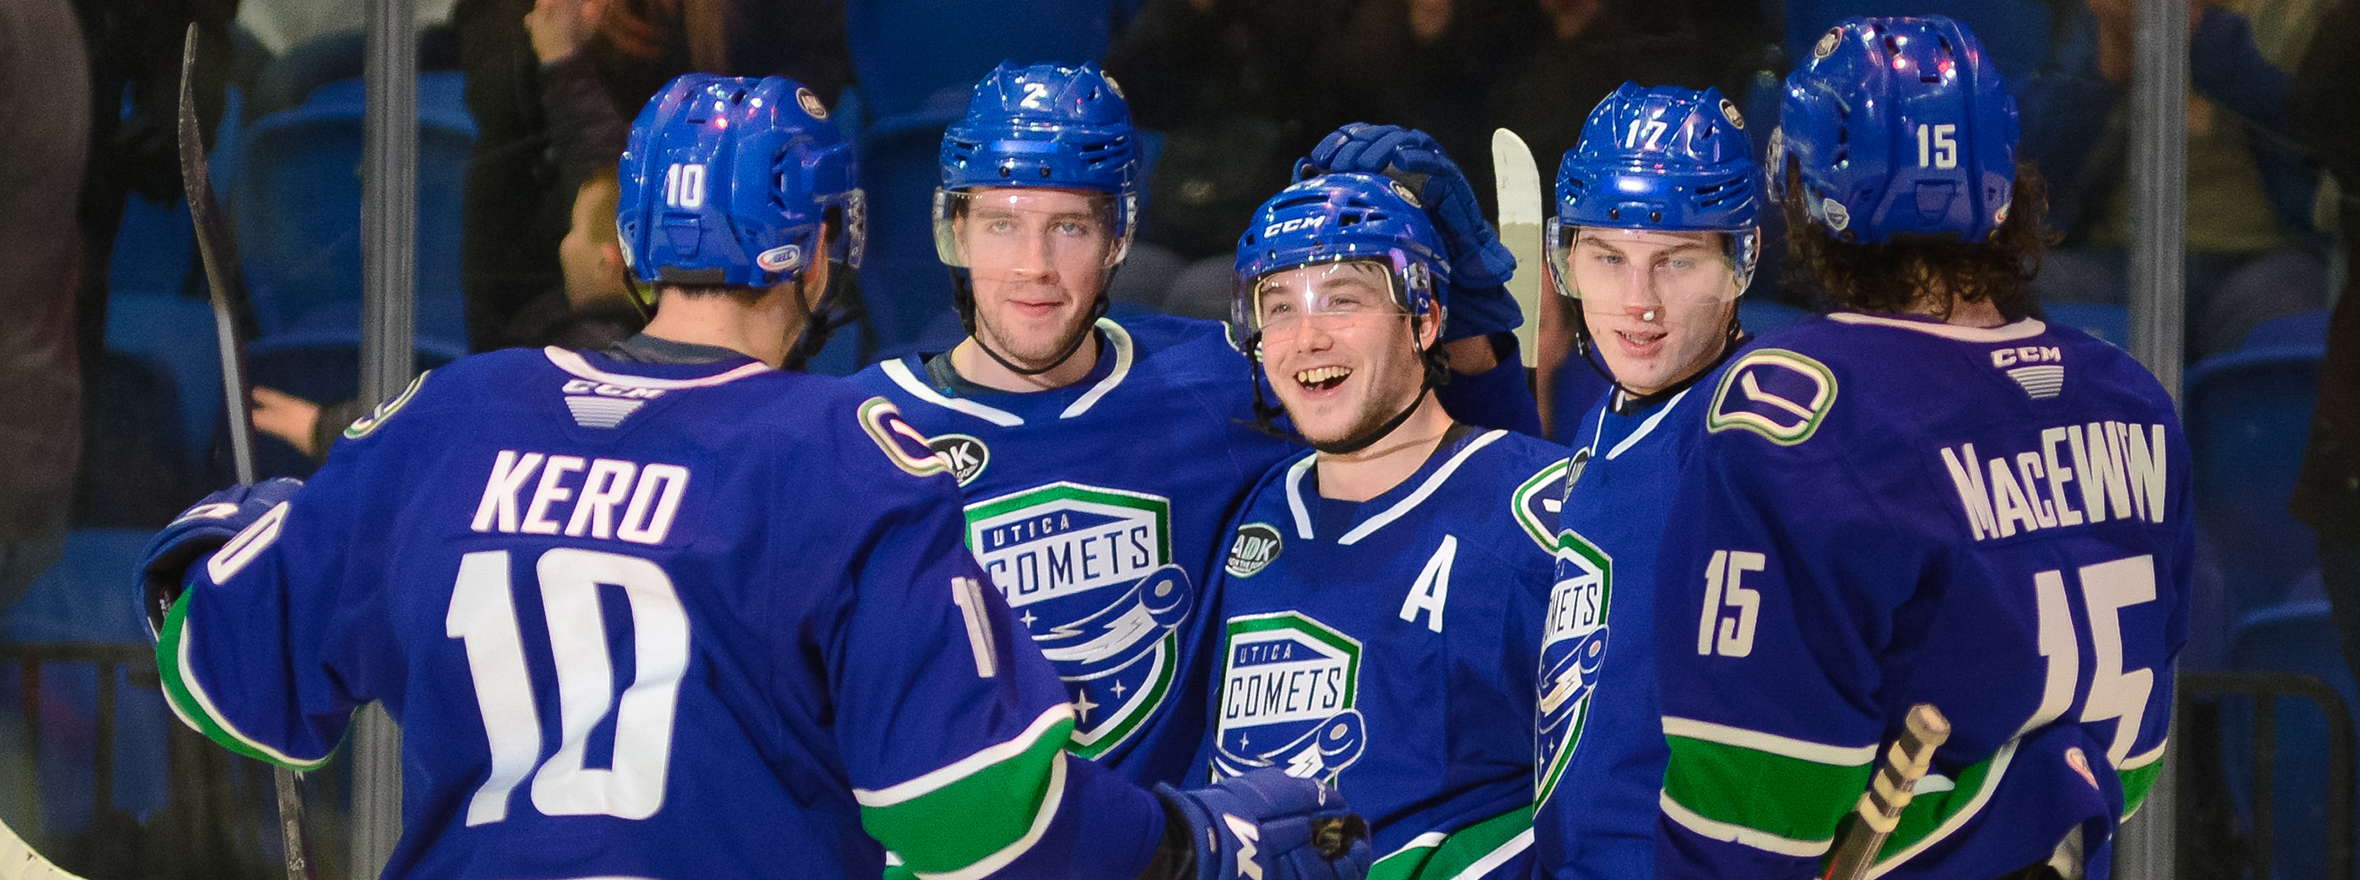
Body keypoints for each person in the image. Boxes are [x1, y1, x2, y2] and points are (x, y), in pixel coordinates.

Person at [132, 73, 1370, 880]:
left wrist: (222, 534)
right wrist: (1196, 840)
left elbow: (220, 668)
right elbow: (971, 812)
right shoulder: (842, 451)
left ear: (625, 241)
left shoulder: (455, 415)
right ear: (827, 248)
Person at [1648, 17, 2191, 879]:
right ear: (2006, 187)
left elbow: (1755, 793)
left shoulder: (1802, 403)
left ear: (1805, 190)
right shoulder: (2128, 396)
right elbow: (2140, 741)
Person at [1202, 172, 1560, 879]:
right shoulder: (1250, 512)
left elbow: (1616, 787)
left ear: (1425, 321)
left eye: (1343, 300)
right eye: (1278, 307)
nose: (1307, 337)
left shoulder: (1536, 515)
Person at [1531, 81, 1762, 880]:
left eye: (1677, 261)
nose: (1639, 304)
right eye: (1607, 257)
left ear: (1741, 262)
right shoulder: (1616, 413)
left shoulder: (1746, 441)